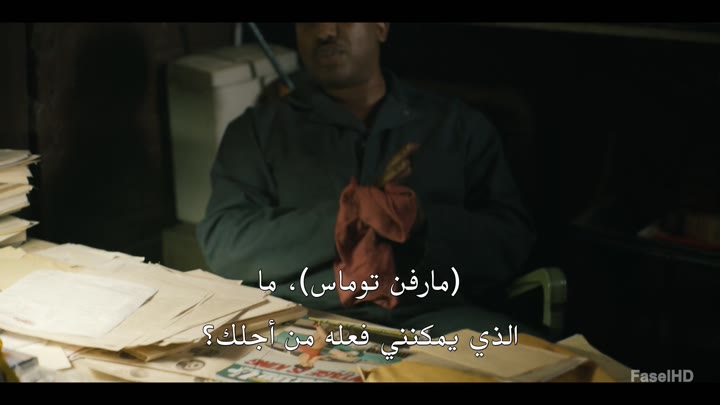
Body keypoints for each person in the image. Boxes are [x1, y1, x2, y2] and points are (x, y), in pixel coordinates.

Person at [197, 23, 537, 337]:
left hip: (435, 318)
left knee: (541, 361)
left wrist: (419, 221)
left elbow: (511, 243)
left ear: (381, 27)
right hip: (305, 316)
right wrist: (347, 216)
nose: (326, 32)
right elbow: (224, 244)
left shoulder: (455, 126)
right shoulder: (258, 131)